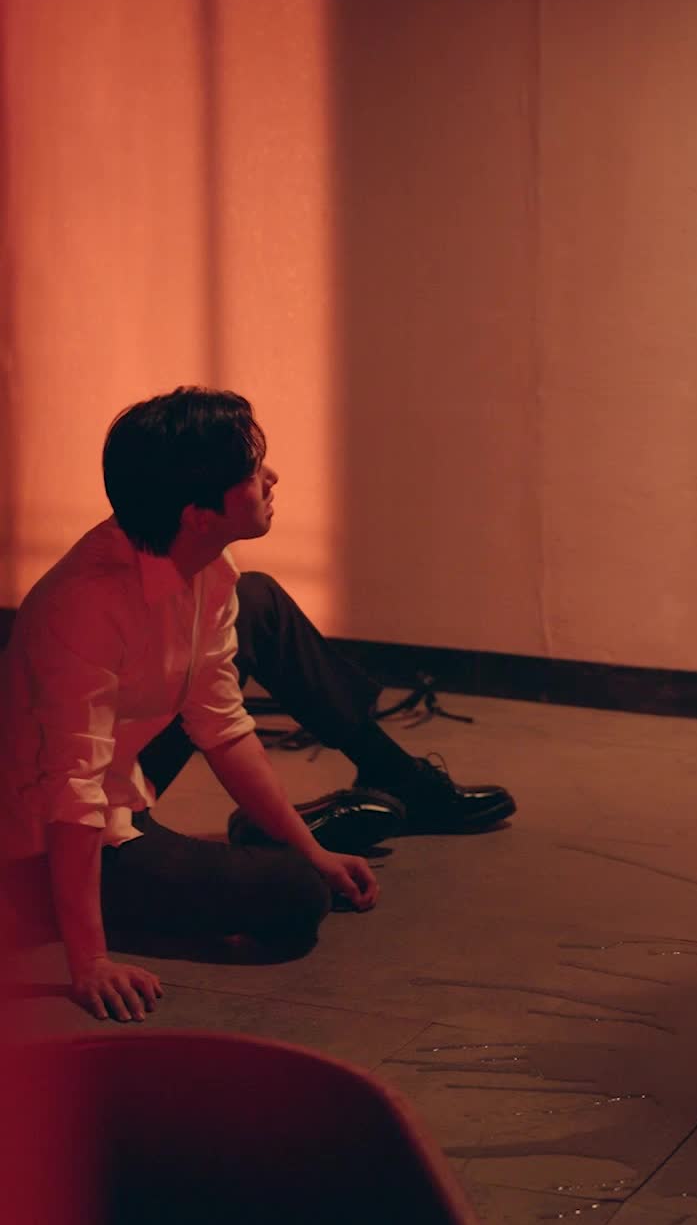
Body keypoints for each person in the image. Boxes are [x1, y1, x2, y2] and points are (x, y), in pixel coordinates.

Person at [0, 388, 513, 1022]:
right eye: (251, 471)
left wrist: (309, 848)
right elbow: (73, 796)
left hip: (120, 772)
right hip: (48, 835)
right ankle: (63, 902)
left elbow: (222, 726)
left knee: (260, 602)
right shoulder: (85, 606)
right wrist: (90, 960)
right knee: (295, 897)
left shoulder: (209, 566)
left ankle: (385, 780)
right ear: (198, 514)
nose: (271, 477)